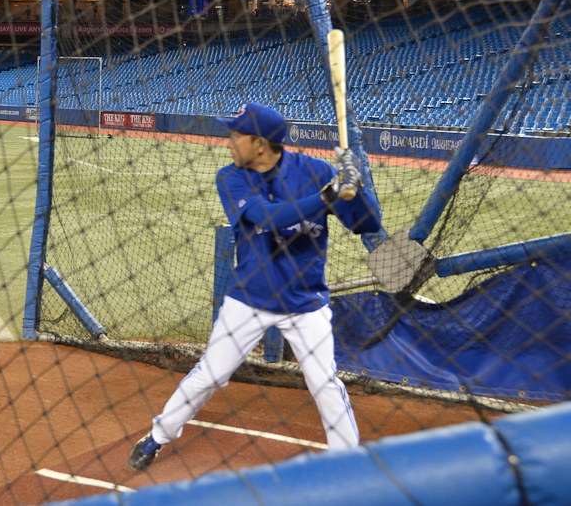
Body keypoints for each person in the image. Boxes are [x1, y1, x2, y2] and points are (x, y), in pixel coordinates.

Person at [129, 101, 382, 471]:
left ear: (261, 144)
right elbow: (268, 217)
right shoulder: (231, 178)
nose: (229, 143)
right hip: (249, 299)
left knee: (324, 382)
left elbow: (367, 224)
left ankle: (346, 462)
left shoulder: (316, 172)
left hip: (305, 302)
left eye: (237, 136)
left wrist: (356, 188)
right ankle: (157, 436)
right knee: (210, 375)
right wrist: (327, 196)